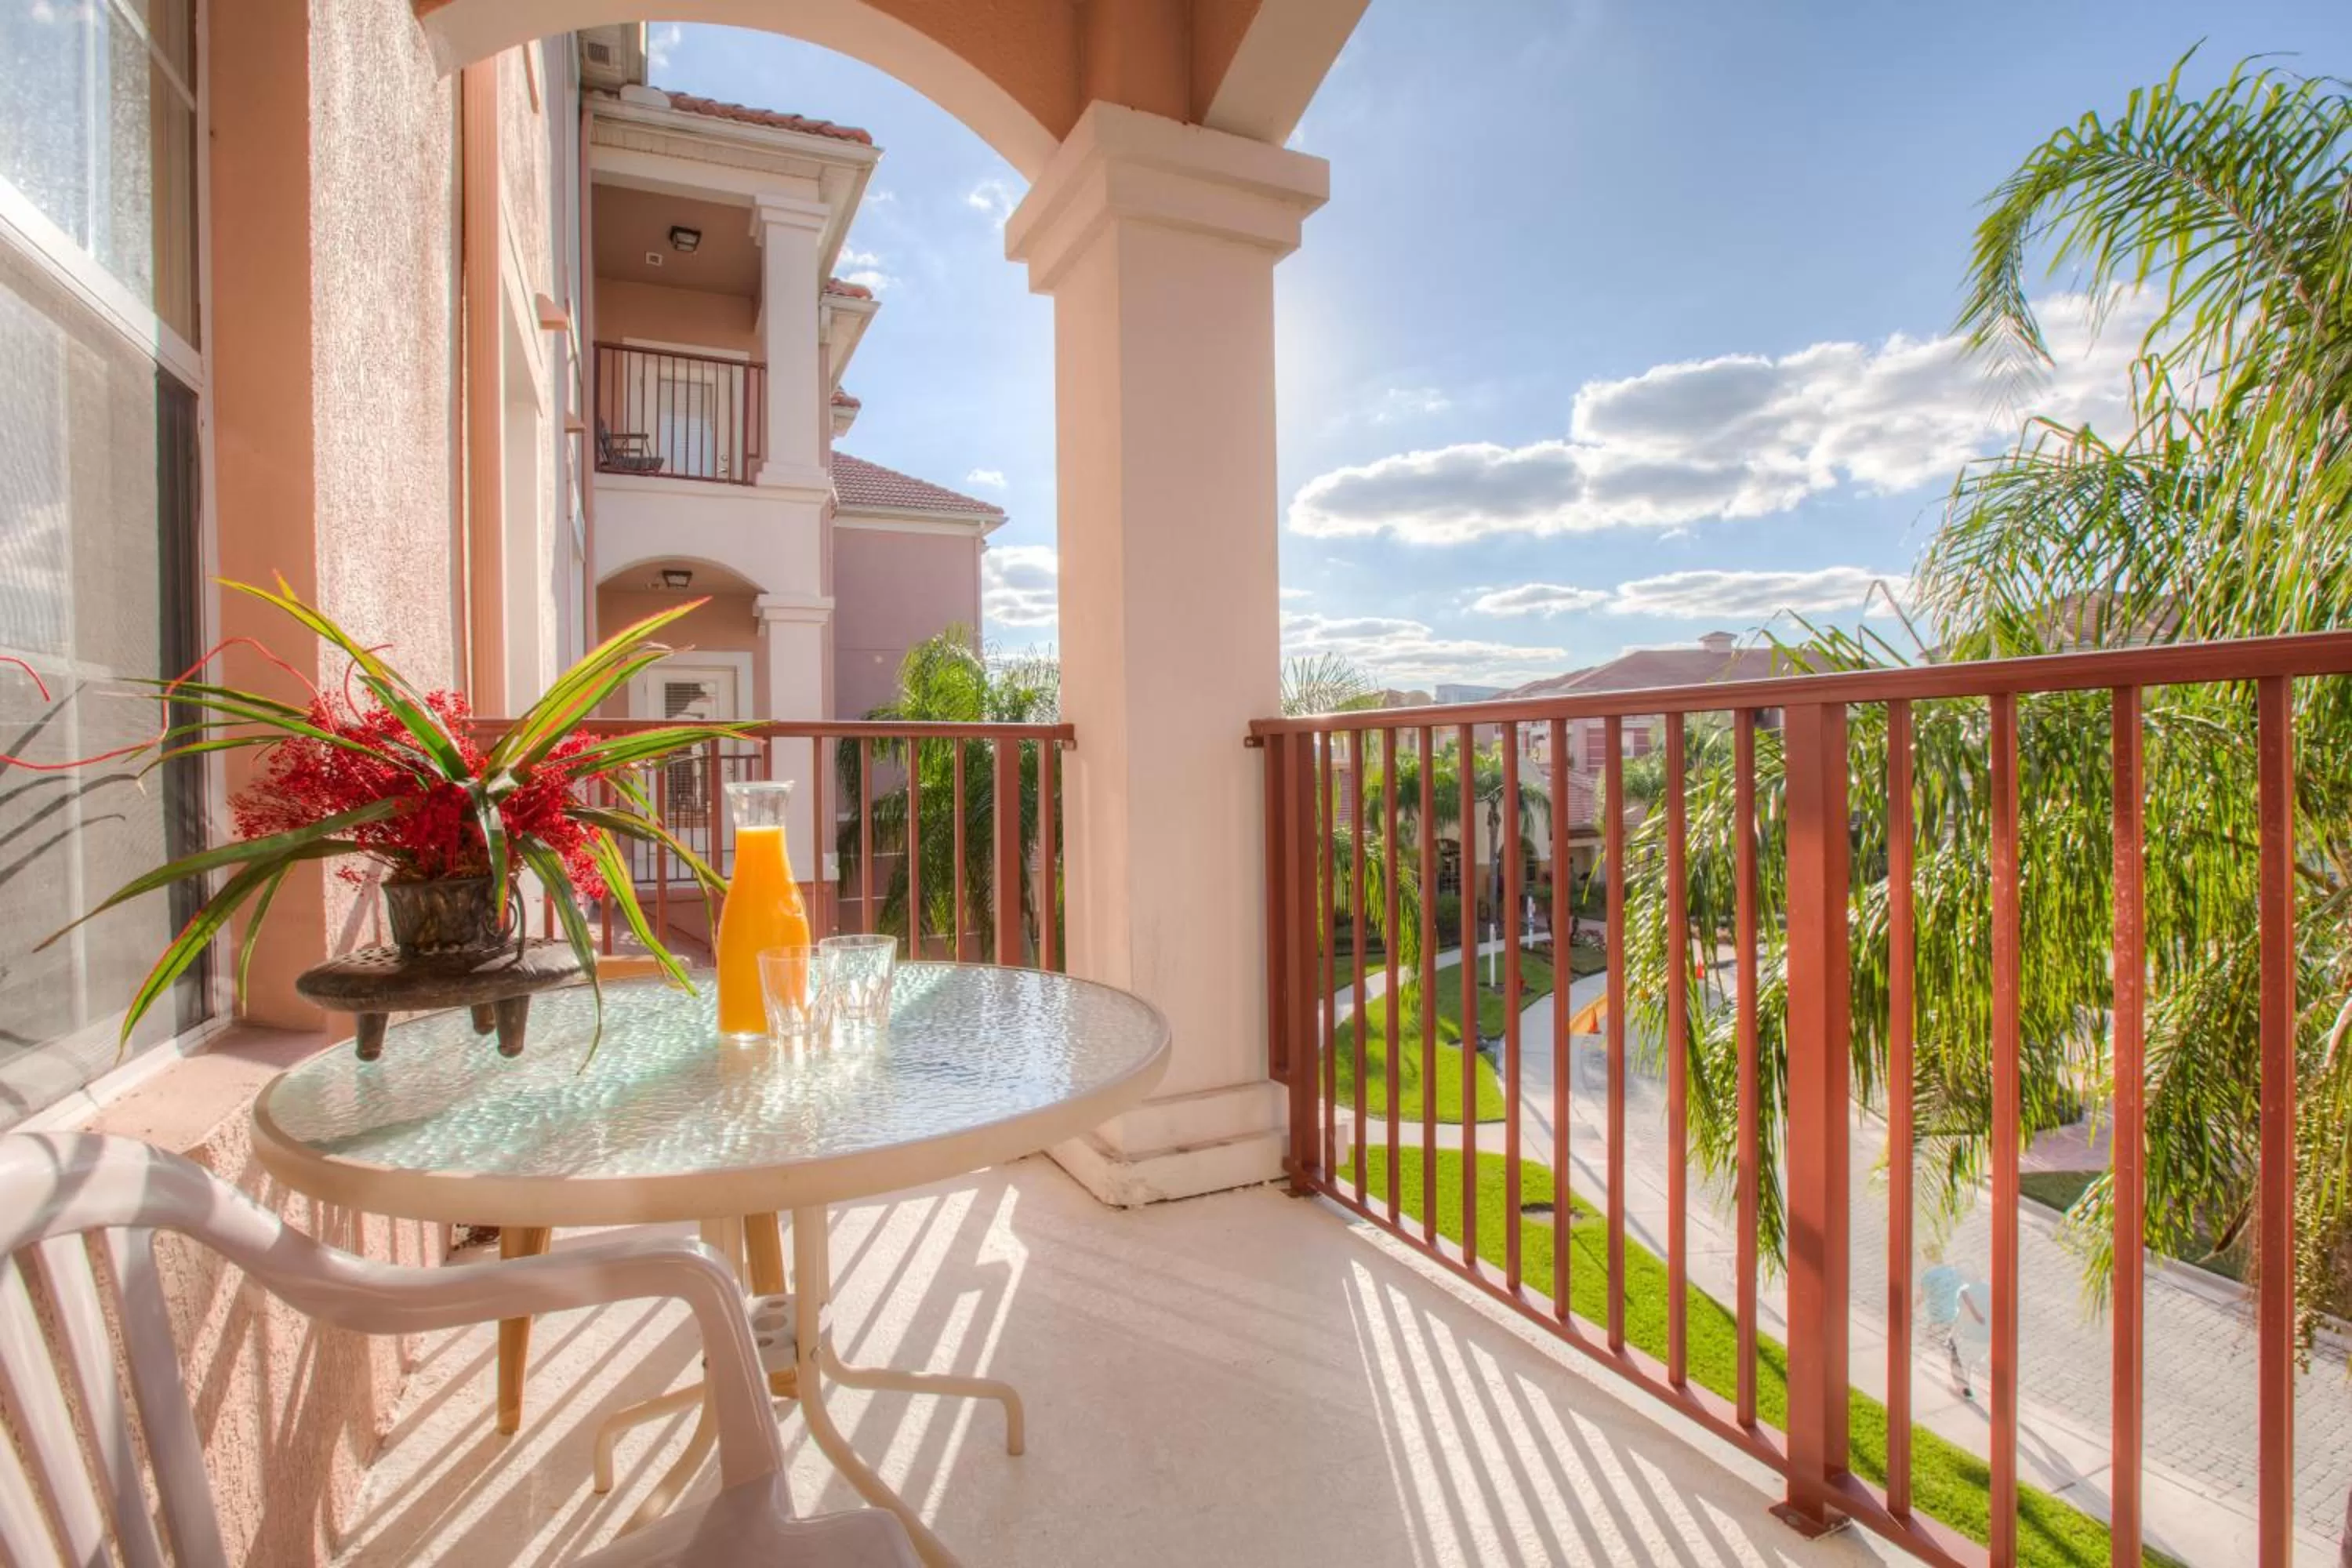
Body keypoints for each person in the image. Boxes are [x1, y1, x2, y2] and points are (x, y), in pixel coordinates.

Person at [1917, 1245, 1976, 1399]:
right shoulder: (1953, 1272)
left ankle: (1962, 1388)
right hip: (1953, 1318)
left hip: (1938, 1319)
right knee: (1947, 1349)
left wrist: (1910, 1308)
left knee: (1944, 1349)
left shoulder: (1928, 1276)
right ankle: (1963, 1387)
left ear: (1928, 1259)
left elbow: (1921, 1297)